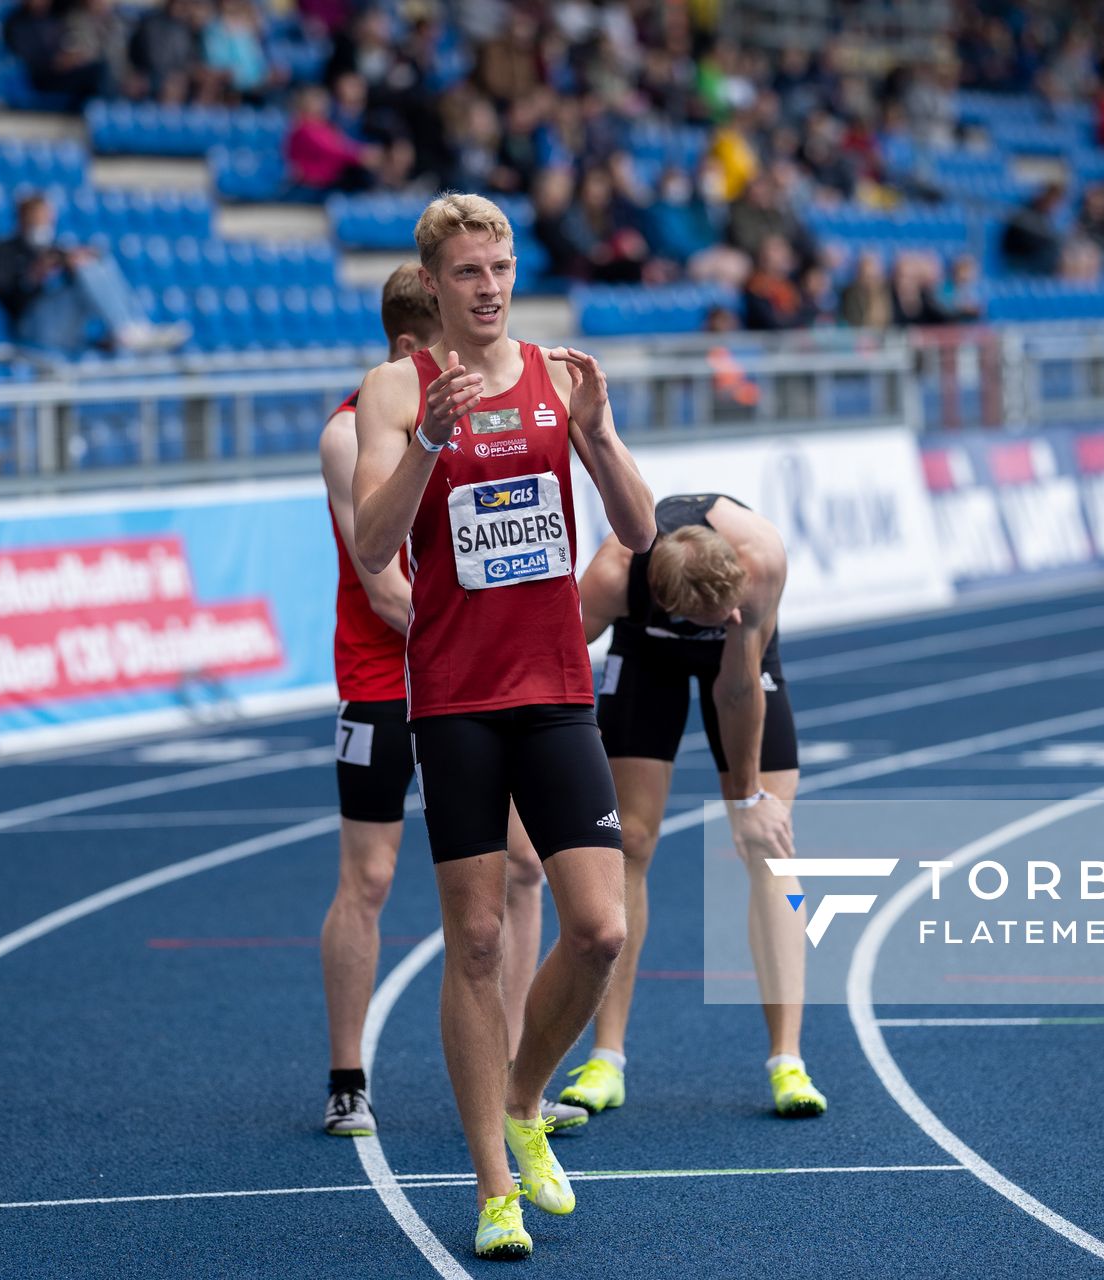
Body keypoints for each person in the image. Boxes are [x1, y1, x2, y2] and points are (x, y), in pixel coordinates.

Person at [349, 193, 655, 1261]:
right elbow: (374, 546)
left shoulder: (561, 375)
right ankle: (490, 1186)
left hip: (556, 680)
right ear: (431, 284)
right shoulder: (396, 388)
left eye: (503, 265)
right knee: (477, 937)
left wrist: (600, 436)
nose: (489, 285)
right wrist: (427, 444)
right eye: (469, 271)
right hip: (456, 694)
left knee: (600, 925)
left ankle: (525, 1098)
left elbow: (640, 528)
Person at [315, 263, 585, 1141]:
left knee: (525, 869)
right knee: (372, 877)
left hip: (473, 681)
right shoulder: (354, 431)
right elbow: (386, 581)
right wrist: (465, 641)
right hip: (384, 676)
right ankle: (348, 1074)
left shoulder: (494, 397)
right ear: (409, 345)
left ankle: (514, 1072)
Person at [563, 494, 826, 1121]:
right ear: (671, 605)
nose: (728, 611)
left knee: (767, 846)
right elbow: (558, 673)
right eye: (712, 613)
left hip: (742, 659)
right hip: (645, 655)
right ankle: (607, 1058)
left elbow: (738, 692)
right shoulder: (610, 578)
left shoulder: (757, 565)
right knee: (629, 842)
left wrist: (749, 800)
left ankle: (788, 1060)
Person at [0, 194, 189, 355]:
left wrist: (71, 263)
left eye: (47, 219)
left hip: (65, 327)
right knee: (86, 267)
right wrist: (33, 277)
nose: (43, 225)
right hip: (30, 326)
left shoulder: (54, 249)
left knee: (96, 262)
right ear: (22, 218)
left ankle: (132, 326)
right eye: (37, 219)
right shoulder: (1, 250)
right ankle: (124, 330)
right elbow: (1, 292)